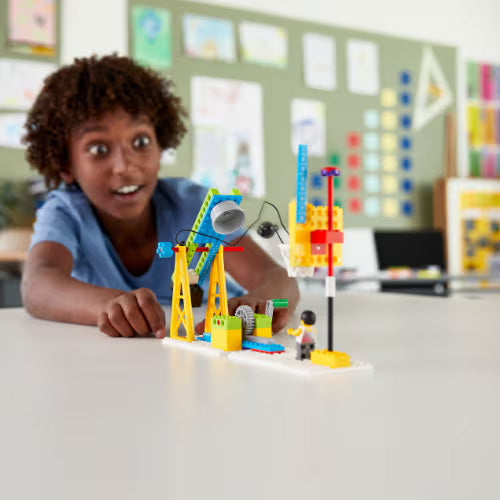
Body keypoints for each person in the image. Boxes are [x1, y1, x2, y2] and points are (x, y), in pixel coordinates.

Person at [21, 54, 299, 339]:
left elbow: (278, 279)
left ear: (160, 143)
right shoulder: (66, 211)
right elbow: (39, 285)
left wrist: (259, 302)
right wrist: (111, 306)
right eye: (98, 149)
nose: (125, 166)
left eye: (140, 141)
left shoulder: (195, 206)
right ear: (66, 165)